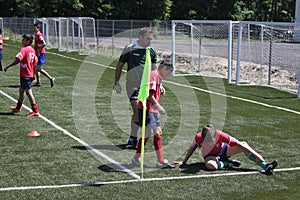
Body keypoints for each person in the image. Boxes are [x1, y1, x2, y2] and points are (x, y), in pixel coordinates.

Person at [114, 28, 159, 149]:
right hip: (132, 85)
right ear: (140, 36)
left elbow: (155, 70)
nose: (149, 41)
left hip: (146, 86)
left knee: (143, 113)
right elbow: (119, 66)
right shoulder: (129, 48)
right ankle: (134, 137)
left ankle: (132, 137)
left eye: (151, 39)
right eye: (147, 39)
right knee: (138, 110)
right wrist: (117, 82)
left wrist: (160, 85)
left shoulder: (151, 51)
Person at [175, 124, 278, 175]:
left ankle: (265, 166)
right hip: (210, 157)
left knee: (243, 145)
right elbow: (191, 149)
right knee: (210, 166)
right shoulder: (198, 137)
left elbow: (240, 143)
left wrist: (259, 156)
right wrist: (184, 162)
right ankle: (227, 164)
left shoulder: (221, 134)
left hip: (224, 151)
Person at [131, 61, 174, 168]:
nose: (169, 75)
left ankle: (137, 158)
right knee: (156, 133)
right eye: (169, 72)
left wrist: (161, 88)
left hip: (149, 109)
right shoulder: (154, 75)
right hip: (148, 109)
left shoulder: (157, 75)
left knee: (149, 133)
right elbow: (150, 94)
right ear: (164, 69)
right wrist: (158, 106)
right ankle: (160, 161)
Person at [4, 34, 40, 116]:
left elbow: (18, 60)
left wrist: (8, 66)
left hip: (25, 74)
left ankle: (35, 111)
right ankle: (18, 107)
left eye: (23, 39)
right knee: (21, 90)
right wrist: (33, 74)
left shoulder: (24, 49)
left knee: (28, 92)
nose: (22, 41)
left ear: (28, 41)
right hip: (29, 74)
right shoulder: (32, 50)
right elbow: (35, 63)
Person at [33, 22, 55, 87]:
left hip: (41, 53)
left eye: (35, 28)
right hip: (39, 53)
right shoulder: (36, 34)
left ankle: (51, 78)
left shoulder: (39, 34)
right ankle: (38, 82)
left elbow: (44, 43)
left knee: (38, 68)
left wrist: (39, 51)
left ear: (38, 28)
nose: (34, 29)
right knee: (37, 68)